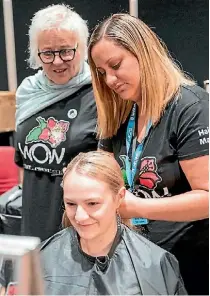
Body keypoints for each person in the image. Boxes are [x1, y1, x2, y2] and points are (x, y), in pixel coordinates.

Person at [88, 13, 209, 295]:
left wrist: (138, 208)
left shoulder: (190, 108)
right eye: (102, 72)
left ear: (143, 51)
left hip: (188, 268)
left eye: (116, 66)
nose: (110, 79)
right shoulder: (120, 112)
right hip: (136, 267)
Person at [38, 150, 186, 295]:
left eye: (92, 203)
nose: (80, 217)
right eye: (71, 204)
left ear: (119, 197)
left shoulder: (154, 265)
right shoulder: (42, 257)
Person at [14, 4, 97, 241]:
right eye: (48, 53)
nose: (57, 61)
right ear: (36, 53)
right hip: (34, 221)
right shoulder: (28, 92)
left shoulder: (100, 93)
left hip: (81, 225)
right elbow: (24, 163)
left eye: (66, 51)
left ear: (81, 49)